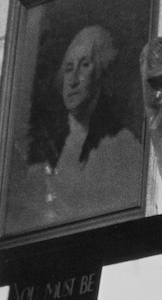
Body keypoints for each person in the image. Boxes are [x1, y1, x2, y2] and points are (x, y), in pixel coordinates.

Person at [5, 25, 143, 233]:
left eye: (85, 65)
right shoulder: (50, 146)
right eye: (68, 69)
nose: (73, 79)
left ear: (101, 74)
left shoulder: (121, 143)